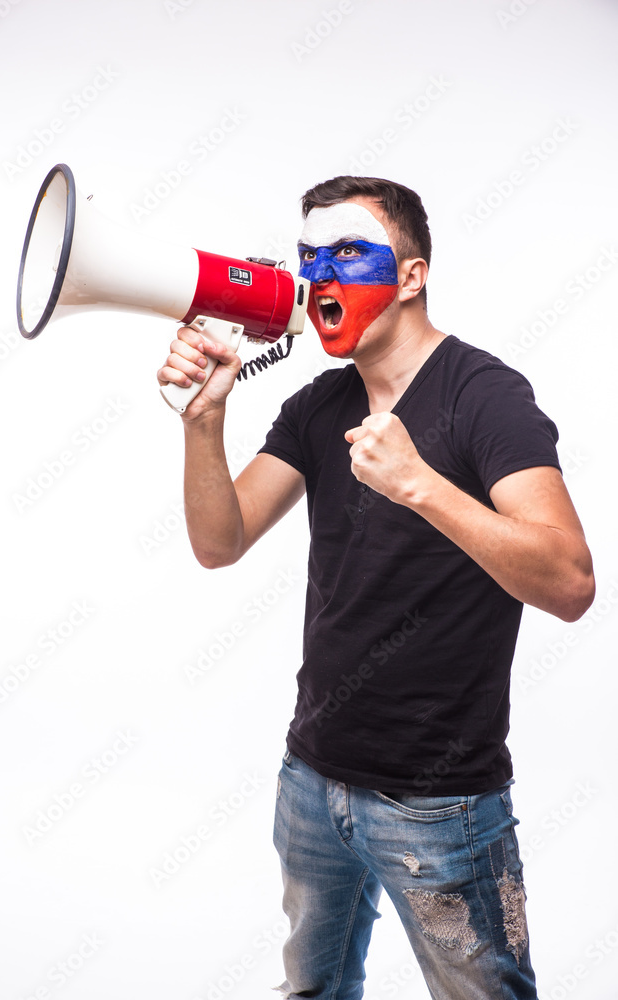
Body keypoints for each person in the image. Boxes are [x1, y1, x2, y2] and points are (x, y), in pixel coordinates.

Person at [157, 175, 595, 1000]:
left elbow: (570, 582)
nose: (319, 274)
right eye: (308, 258)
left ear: (410, 275)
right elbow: (220, 543)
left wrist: (420, 484)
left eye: (348, 253)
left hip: (441, 807)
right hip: (311, 781)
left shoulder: (485, 396)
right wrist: (204, 418)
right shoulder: (319, 402)